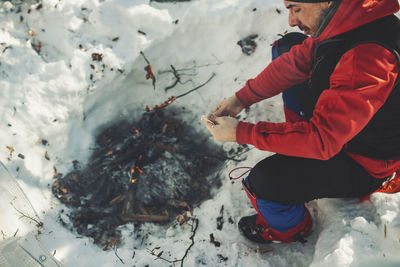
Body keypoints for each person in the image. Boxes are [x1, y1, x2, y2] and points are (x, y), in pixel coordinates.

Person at [204, 0, 400, 243]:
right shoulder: (347, 20)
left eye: (296, 8)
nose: (291, 21)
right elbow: (296, 61)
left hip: (363, 161)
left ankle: (290, 229)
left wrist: (241, 132)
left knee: (265, 182)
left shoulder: (367, 57)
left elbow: (321, 140)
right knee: (287, 47)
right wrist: (241, 98)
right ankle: (298, 139)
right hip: (343, 128)